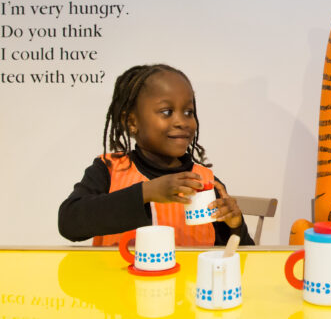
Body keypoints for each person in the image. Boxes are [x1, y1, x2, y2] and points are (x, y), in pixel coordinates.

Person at [58, 64, 253, 246]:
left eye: (188, 112)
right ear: (132, 122)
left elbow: (240, 257)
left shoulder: (206, 181)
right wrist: (146, 192)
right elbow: (69, 222)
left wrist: (235, 224)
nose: (181, 122)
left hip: (190, 282)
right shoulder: (108, 170)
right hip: (118, 282)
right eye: (167, 112)